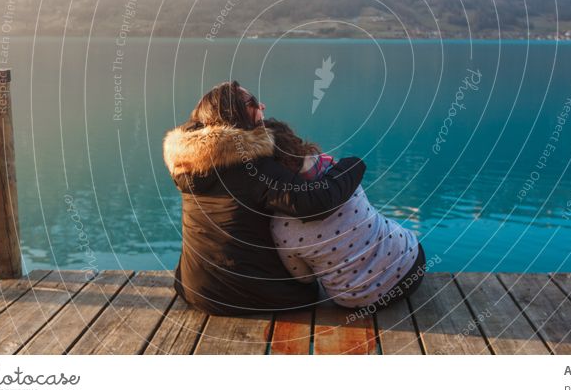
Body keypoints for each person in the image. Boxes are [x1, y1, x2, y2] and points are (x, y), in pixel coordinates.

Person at [163, 80, 366, 315]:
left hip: (194, 289)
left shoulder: (188, 163)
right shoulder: (249, 164)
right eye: (252, 103)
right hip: (243, 294)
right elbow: (315, 201)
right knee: (309, 292)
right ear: (234, 114)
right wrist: (352, 165)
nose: (263, 106)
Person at [265, 119, 426, 311]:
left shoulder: (280, 227)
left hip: (358, 300)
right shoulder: (338, 176)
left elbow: (304, 277)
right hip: (411, 265)